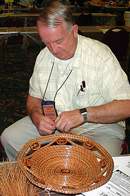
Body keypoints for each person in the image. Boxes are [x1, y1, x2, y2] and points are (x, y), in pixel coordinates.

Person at [1, 0, 130, 160]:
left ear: (74, 31)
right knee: (10, 138)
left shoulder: (100, 55)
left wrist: (83, 114)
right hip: (55, 122)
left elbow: (126, 106)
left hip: (98, 127)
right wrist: (37, 118)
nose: (53, 50)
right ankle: (31, 179)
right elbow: (33, 100)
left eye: (58, 41)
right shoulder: (43, 56)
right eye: (46, 43)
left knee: (94, 165)